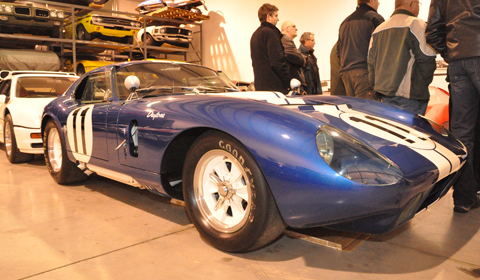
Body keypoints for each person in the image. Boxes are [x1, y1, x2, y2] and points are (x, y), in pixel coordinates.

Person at [426, 0, 480, 212]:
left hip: (458, 61)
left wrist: (449, 53)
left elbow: (432, 30)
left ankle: (464, 198)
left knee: (462, 134)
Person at [367, 0, 436, 115]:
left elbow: (371, 64)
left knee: (390, 131)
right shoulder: (416, 24)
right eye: (418, 4)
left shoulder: (378, 30)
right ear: (412, 3)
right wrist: (422, 84)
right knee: (412, 132)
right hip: (410, 97)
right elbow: (427, 59)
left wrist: (377, 88)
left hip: (384, 96)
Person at [337, 0, 384, 99]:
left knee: (355, 111)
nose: (379, 3)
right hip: (364, 73)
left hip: (346, 74)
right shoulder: (375, 18)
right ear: (371, 1)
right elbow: (383, 49)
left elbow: (338, 51)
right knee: (368, 110)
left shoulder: (344, 22)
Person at [250, 3, 290, 94]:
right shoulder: (271, 33)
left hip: (260, 85)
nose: (278, 19)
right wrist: (288, 82)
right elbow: (277, 61)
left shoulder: (255, 34)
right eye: (276, 16)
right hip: (275, 87)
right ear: (268, 17)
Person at [281, 21, 306, 91]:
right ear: (287, 29)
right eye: (294, 26)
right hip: (292, 81)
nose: (296, 29)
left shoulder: (287, 41)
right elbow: (300, 59)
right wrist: (303, 58)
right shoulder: (285, 41)